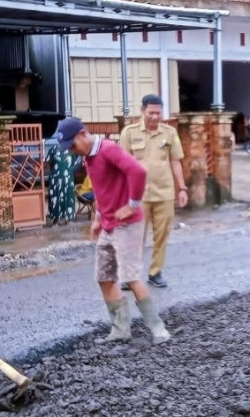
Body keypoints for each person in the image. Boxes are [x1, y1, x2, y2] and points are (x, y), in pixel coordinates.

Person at [53, 117, 171, 345]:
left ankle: (158, 329)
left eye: (73, 145)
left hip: (127, 225)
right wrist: (97, 218)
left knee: (131, 276)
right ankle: (120, 329)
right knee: (104, 277)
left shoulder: (108, 149)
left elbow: (138, 171)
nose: (73, 151)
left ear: (82, 134)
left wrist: (132, 205)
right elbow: (100, 188)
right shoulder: (89, 158)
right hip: (108, 224)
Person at [120, 94, 188, 289]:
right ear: (142, 111)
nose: (155, 117)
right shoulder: (129, 133)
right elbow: (122, 165)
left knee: (162, 234)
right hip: (137, 196)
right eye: (151, 113)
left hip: (164, 193)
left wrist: (182, 188)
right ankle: (130, 274)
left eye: (158, 113)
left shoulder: (169, 133)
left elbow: (175, 162)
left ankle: (155, 272)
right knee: (135, 235)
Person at [45, 138, 76, 225]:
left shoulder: (71, 150)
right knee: (56, 198)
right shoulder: (53, 149)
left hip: (67, 179)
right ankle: (56, 220)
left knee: (68, 197)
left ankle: (68, 218)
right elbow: (47, 163)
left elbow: (73, 163)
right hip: (56, 179)